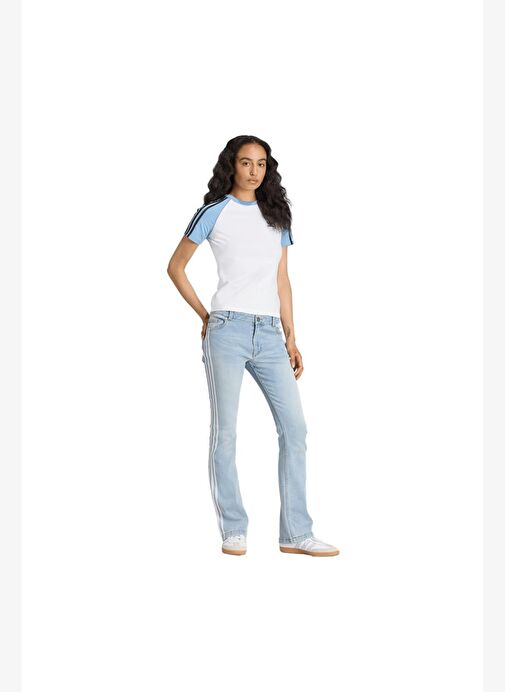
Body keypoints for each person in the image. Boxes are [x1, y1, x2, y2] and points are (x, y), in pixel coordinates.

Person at [167, 135, 339, 557]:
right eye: (246, 162)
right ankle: (233, 528)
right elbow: (175, 267)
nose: (254, 171)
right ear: (233, 165)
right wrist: (205, 316)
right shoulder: (214, 211)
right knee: (225, 432)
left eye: (261, 163)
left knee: (295, 429)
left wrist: (291, 336)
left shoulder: (277, 215)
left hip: (270, 334)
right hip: (227, 328)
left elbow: (282, 279)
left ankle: (296, 533)